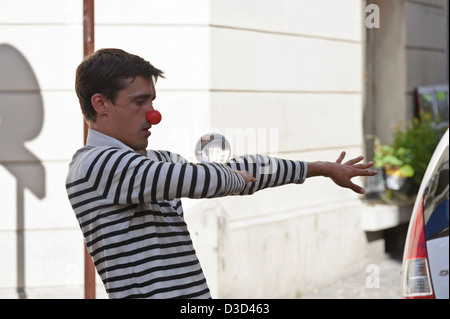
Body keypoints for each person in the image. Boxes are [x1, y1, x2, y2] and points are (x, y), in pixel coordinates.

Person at [66, 48, 377, 299]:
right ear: (101, 103)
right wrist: (230, 178)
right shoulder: (94, 164)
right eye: (139, 102)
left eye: (152, 101)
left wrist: (320, 169)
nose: (153, 115)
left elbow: (237, 169)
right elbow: (199, 179)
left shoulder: (155, 161)